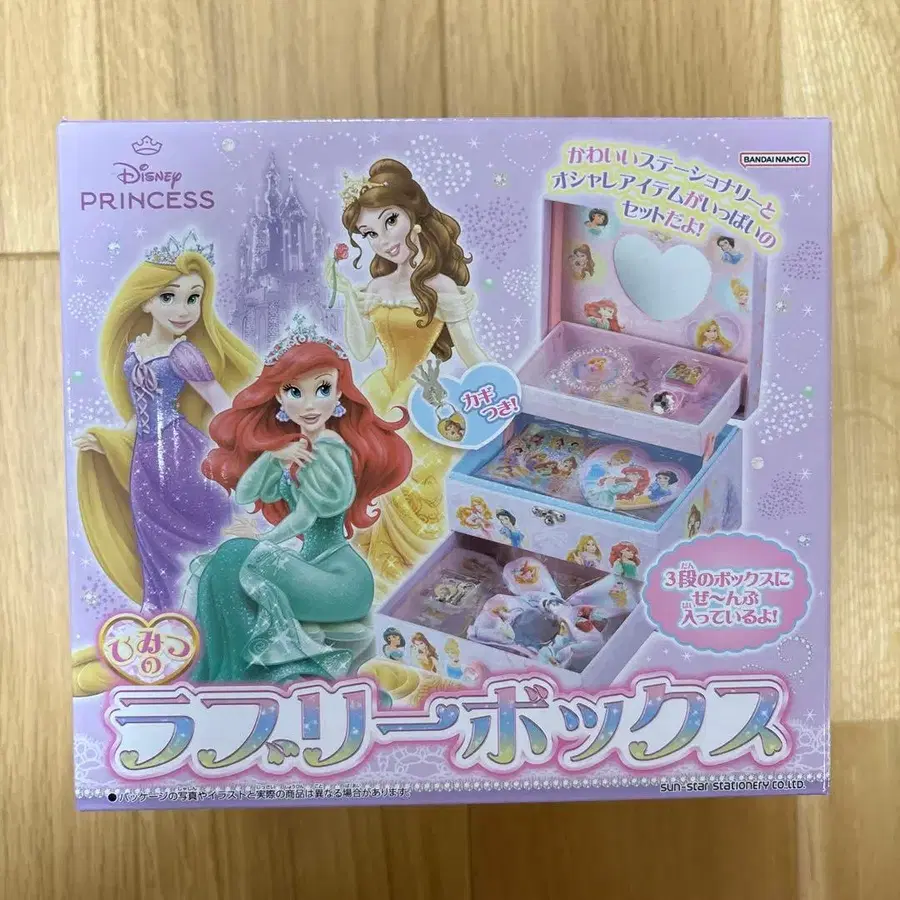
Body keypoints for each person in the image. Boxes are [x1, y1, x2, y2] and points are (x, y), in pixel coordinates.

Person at [184, 316, 413, 683]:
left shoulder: (332, 449)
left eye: (322, 389)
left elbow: (305, 517)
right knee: (229, 559)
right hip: (312, 567)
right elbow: (247, 493)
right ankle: (229, 673)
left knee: (235, 555)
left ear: (339, 394)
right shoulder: (296, 448)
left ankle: (246, 677)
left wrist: (261, 544)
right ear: (278, 396)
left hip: (342, 580)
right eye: (295, 392)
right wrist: (273, 456)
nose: (309, 404)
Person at [327, 159, 491, 593]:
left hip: (420, 398)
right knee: (365, 477)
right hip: (378, 393)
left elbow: (471, 352)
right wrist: (349, 300)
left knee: (411, 484)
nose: (384, 240)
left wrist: (500, 392)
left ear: (413, 216)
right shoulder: (377, 287)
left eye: (390, 221)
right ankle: (362, 579)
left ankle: (412, 581)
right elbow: (361, 348)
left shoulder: (440, 287)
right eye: (369, 234)